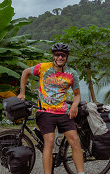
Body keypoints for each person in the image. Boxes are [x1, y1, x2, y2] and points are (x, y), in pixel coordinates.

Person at [17, 43, 85, 174]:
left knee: (75, 141)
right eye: (57, 55)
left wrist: (74, 105)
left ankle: (81, 172)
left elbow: (77, 95)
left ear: (66, 57)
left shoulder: (72, 74)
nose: (60, 57)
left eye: (63, 55)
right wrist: (22, 93)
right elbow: (25, 73)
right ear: (53, 56)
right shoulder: (43, 68)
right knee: (49, 142)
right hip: (45, 112)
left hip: (63, 112)